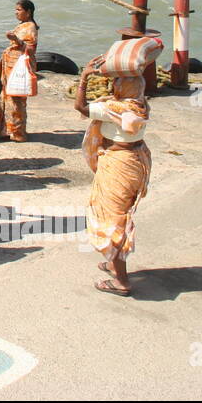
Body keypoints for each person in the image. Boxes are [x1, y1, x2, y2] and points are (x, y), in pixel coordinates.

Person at [73, 55, 151, 296]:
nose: (114, 84)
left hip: (118, 165)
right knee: (122, 212)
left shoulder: (116, 108)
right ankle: (113, 263)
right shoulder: (140, 105)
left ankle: (122, 281)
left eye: (118, 82)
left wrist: (84, 77)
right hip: (135, 160)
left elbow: (81, 107)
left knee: (113, 219)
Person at [0, 0, 39, 142]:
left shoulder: (30, 27)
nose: (16, 13)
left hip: (19, 68)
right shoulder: (23, 25)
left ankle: (18, 132)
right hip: (11, 67)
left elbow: (31, 50)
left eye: (19, 10)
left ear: (28, 12)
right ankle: (7, 129)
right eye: (16, 10)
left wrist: (16, 40)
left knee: (17, 99)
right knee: (7, 98)